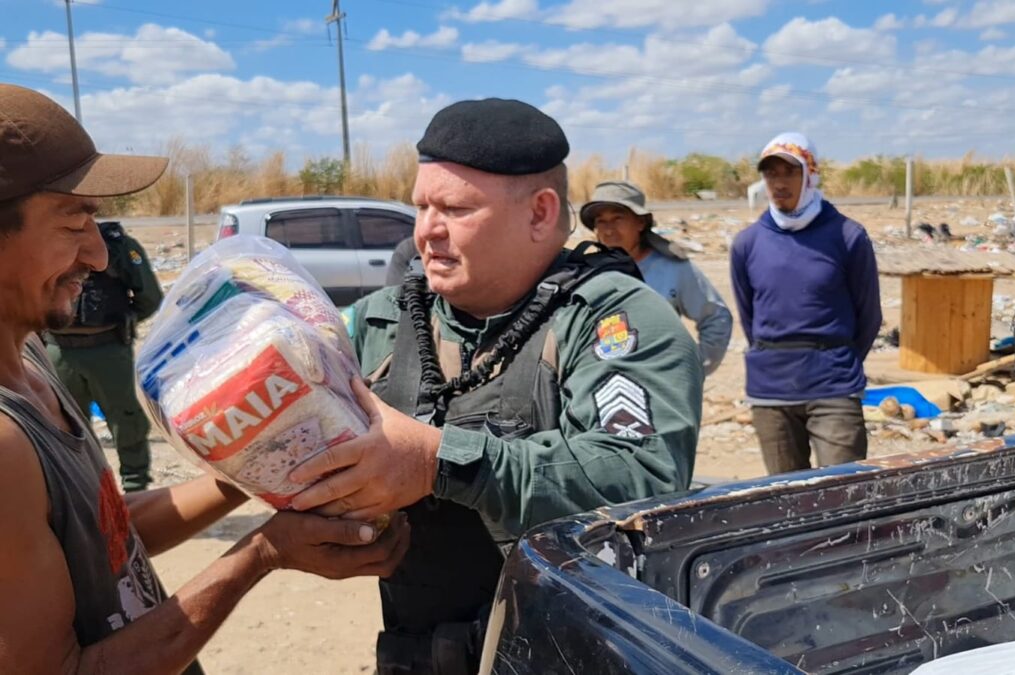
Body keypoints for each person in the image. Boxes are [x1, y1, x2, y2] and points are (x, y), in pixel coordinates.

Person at [0, 83, 409, 673]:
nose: (96, 255)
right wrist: (263, 553)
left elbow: (104, 532)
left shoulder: (30, 356)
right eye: (72, 225)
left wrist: (259, 462)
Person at [286, 98, 704, 674]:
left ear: (539, 213)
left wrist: (441, 463)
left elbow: (639, 476)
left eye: (455, 209)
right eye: (421, 206)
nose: (427, 231)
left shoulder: (614, 321)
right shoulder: (383, 320)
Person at [730, 132, 882, 475]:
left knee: (843, 494)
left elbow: (869, 314)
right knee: (785, 500)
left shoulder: (847, 236)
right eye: (771, 174)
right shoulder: (747, 243)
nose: (779, 183)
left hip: (833, 386)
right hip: (770, 391)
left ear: (810, 176)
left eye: (790, 172)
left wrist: (835, 358)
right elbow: (749, 317)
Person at [45, 220, 162, 492]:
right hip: (80, 352)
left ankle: (128, 490)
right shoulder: (108, 245)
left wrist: (123, 321)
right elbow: (151, 299)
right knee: (72, 426)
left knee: (119, 421)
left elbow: (149, 298)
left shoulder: (116, 246)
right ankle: (120, 489)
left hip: (89, 351)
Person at [581, 180, 733, 375]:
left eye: (618, 218)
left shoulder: (674, 268)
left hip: (659, 390)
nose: (609, 230)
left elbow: (715, 318)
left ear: (640, 222)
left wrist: (693, 372)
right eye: (601, 221)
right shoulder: (587, 274)